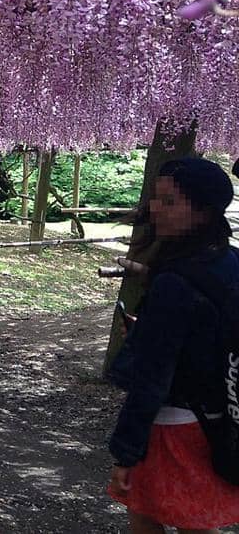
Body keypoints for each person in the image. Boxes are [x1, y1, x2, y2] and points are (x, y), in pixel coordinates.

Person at [107, 156, 239, 534]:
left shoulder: (175, 282)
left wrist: (126, 452)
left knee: (150, 515)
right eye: (156, 198)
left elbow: (152, 379)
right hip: (220, 416)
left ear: (203, 212)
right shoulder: (231, 260)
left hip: (176, 426)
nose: (154, 209)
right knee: (193, 521)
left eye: (169, 201)